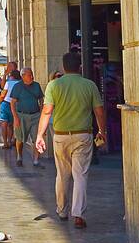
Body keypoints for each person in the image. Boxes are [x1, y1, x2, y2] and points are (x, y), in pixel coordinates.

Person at [36, 52, 107, 229]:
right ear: (80, 67)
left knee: (62, 174)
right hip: (83, 135)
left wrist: (40, 135)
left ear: (64, 66)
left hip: (60, 135)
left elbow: (46, 111)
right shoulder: (89, 85)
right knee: (80, 175)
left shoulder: (54, 85)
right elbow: (99, 111)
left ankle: (61, 210)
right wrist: (102, 131)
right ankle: (79, 214)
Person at [8, 67, 45, 168]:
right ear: (23, 76)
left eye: (32, 74)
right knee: (20, 138)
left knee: (36, 138)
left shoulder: (36, 85)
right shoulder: (17, 86)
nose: (32, 76)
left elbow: (41, 99)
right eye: (29, 75)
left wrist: (42, 113)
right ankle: (19, 156)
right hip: (21, 115)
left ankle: (36, 160)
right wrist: (15, 118)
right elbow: (12, 103)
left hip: (35, 115)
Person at [0, 65, 20, 149]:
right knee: (11, 124)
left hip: (6, 103)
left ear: (11, 76)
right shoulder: (20, 83)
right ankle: (11, 140)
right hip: (16, 105)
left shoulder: (8, 83)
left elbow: (3, 94)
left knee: (4, 124)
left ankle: (5, 143)